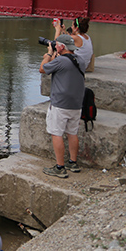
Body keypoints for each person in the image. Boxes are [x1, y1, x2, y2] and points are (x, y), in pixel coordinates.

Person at [39, 34, 85, 178]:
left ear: (62, 47)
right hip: (76, 104)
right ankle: (73, 162)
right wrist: (55, 53)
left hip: (60, 104)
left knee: (56, 133)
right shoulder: (80, 60)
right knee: (72, 133)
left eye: (56, 44)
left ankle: (60, 167)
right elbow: (60, 65)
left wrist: (48, 53)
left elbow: (43, 68)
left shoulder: (60, 61)